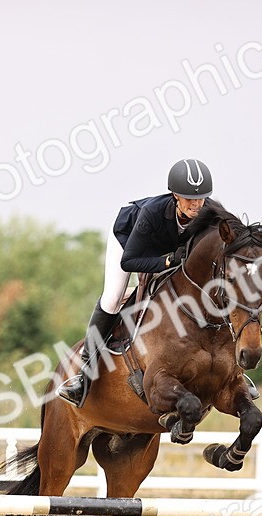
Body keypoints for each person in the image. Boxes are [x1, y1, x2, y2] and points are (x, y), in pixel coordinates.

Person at [57, 158, 214, 407]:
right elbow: (129, 262)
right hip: (130, 244)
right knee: (112, 297)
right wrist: (166, 262)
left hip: (168, 252)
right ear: (175, 195)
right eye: (189, 199)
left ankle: (231, 372)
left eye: (201, 198)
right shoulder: (152, 213)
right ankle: (83, 376)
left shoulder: (209, 212)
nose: (196, 204)